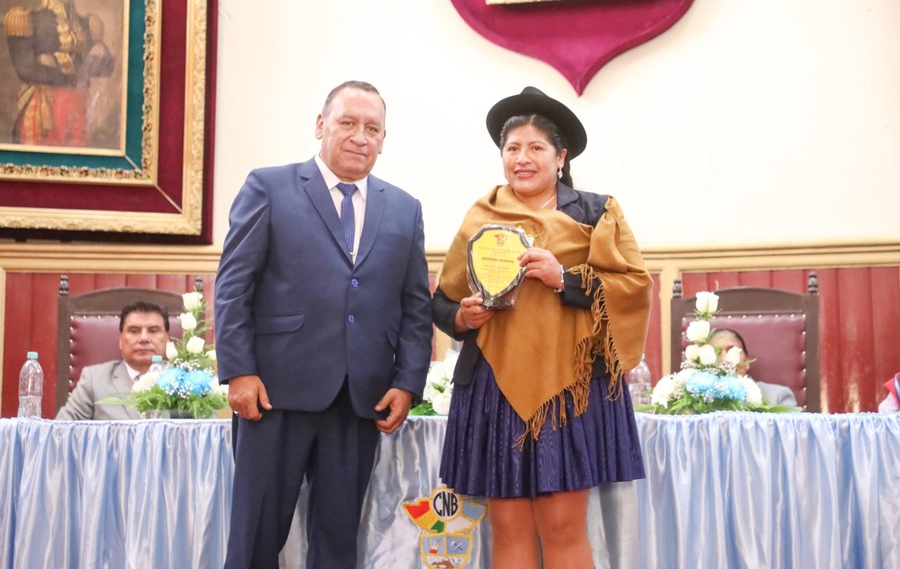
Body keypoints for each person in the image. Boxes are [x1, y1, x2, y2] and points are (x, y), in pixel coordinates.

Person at [215, 80, 433, 568]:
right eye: (348, 123)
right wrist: (237, 370)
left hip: (360, 400)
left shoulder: (403, 207)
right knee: (254, 539)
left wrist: (407, 382)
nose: (360, 136)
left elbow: (416, 304)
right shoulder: (268, 186)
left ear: (383, 138)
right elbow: (233, 286)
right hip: (274, 393)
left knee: (337, 545)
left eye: (372, 128)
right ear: (321, 125)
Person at [433, 86, 652, 568]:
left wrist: (566, 279)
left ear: (561, 157)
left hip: (568, 386)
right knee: (508, 530)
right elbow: (443, 300)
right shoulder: (480, 217)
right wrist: (461, 317)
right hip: (494, 385)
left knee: (561, 526)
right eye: (512, 149)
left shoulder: (597, 212)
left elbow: (634, 286)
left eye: (536, 148)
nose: (522, 159)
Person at [4, 0, 114, 146]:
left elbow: (106, 68)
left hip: (80, 112)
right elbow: (26, 70)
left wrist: (55, 62)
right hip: (45, 112)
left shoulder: (88, 24)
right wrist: (81, 68)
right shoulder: (27, 19)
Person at [56, 301, 169, 420]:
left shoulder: (185, 382)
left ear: (167, 338)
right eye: (134, 331)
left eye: (153, 331)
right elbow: (60, 431)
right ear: (120, 340)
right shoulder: (94, 380)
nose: (144, 338)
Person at [709, 328, 799, 407]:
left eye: (732, 350)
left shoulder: (778, 396)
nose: (725, 360)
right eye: (717, 353)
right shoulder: (697, 400)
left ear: (747, 362)